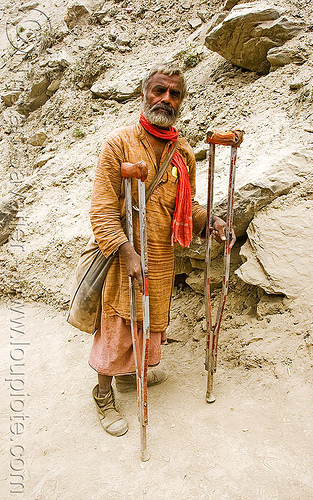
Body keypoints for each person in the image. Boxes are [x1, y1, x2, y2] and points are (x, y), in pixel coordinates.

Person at [89, 62, 235, 437]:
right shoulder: (119, 143)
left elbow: (185, 207)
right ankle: (103, 393)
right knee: (119, 324)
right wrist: (126, 252)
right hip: (124, 255)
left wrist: (211, 222)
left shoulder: (182, 152)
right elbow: (103, 210)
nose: (166, 99)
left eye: (174, 94)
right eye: (159, 90)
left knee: (148, 323)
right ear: (145, 92)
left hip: (161, 256)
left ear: (182, 101)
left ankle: (128, 377)